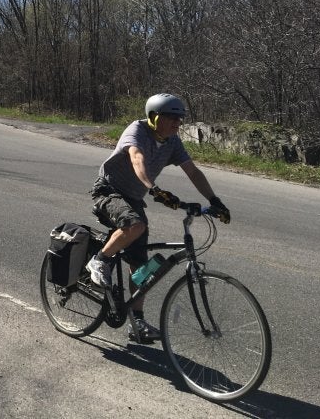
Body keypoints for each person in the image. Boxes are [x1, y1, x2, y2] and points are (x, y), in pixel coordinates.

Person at [86, 93, 230, 343]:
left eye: (180, 119)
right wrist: (154, 189)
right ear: (155, 118)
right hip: (109, 191)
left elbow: (192, 171)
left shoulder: (172, 141)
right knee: (135, 224)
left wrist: (214, 200)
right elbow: (137, 159)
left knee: (140, 267)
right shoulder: (137, 131)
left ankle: (137, 322)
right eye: (172, 118)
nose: (178, 124)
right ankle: (99, 261)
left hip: (133, 198)